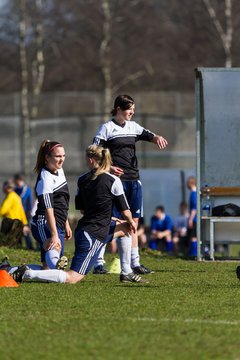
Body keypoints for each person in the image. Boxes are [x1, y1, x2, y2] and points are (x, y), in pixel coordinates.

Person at [11, 145, 146, 284]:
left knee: (125, 229)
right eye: (59, 156)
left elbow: (83, 210)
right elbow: (126, 211)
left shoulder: (82, 180)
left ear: (90, 160)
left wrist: (110, 218)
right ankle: (26, 274)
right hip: (94, 233)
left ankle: (126, 272)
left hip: (88, 228)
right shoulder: (113, 180)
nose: (62, 159)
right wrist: (131, 221)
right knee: (72, 278)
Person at [93, 94, 168, 274]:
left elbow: (148, 135)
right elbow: (94, 153)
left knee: (133, 222)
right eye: (129, 109)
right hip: (115, 182)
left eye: (133, 110)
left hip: (134, 181)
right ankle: (98, 263)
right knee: (112, 221)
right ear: (118, 109)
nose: (132, 113)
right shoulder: (107, 128)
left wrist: (157, 137)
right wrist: (109, 168)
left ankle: (135, 263)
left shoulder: (133, 127)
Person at [30, 139, 72, 270]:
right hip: (43, 222)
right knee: (54, 247)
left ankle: (10, 270)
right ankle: (59, 269)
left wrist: (66, 223)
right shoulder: (45, 179)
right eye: (58, 156)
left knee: (46, 269)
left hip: (57, 223)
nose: (62, 159)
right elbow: (49, 209)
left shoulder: (60, 170)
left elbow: (62, 202)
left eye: (63, 155)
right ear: (47, 158)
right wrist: (54, 234)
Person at [0, 179, 29, 246]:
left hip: (10, 222)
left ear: (6, 187)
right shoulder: (16, 196)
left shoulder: (10, 196)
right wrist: (25, 223)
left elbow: (3, 210)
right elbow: (21, 211)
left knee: (5, 241)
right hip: (18, 223)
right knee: (16, 242)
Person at [14, 173, 35, 250]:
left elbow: (29, 201)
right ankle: (19, 245)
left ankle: (30, 246)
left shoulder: (26, 189)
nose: (19, 182)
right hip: (18, 213)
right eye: (17, 180)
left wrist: (29, 211)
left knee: (26, 230)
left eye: (20, 180)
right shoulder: (15, 190)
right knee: (18, 230)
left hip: (26, 213)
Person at [187, 176, 197, 257]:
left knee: (193, 237)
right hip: (197, 218)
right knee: (195, 236)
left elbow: (194, 208)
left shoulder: (193, 194)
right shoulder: (197, 193)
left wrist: (190, 219)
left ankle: (193, 254)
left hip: (195, 219)